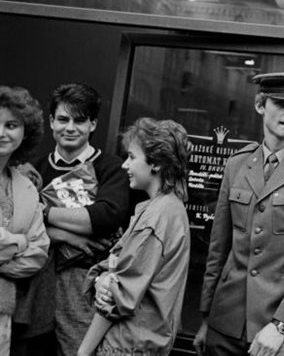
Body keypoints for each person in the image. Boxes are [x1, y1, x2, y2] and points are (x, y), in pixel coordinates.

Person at [193, 72, 284, 356]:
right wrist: (206, 317)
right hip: (226, 320)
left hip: (282, 327)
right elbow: (219, 248)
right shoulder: (237, 164)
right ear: (260, 105)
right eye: (282, 103)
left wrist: (282, 324)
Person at [11, 83, 131, 356]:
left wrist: (42, 212)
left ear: (93, 124)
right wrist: (65, 234)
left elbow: (104, 217)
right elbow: (19, 228)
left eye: (79, 120)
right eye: (63, 119)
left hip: (82, 287)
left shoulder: (111, 167)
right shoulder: (34, 170)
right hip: (35, 284)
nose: (70, 127)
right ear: (51, 121)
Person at [77, 117, 191, 355]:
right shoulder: (170, 208)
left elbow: (117, 298)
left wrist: (83, 351)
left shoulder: (155, 218)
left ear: (156, 163)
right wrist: (102, 279)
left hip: (126, 346)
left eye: (131, 157)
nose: (124, 165)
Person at [0, 86, 49, 353]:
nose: (1, 133)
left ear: (25, 132)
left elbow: (39, 253)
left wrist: (7, 246)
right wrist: (20, 242)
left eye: (11, 125)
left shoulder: (27, 188)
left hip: (3, 310)